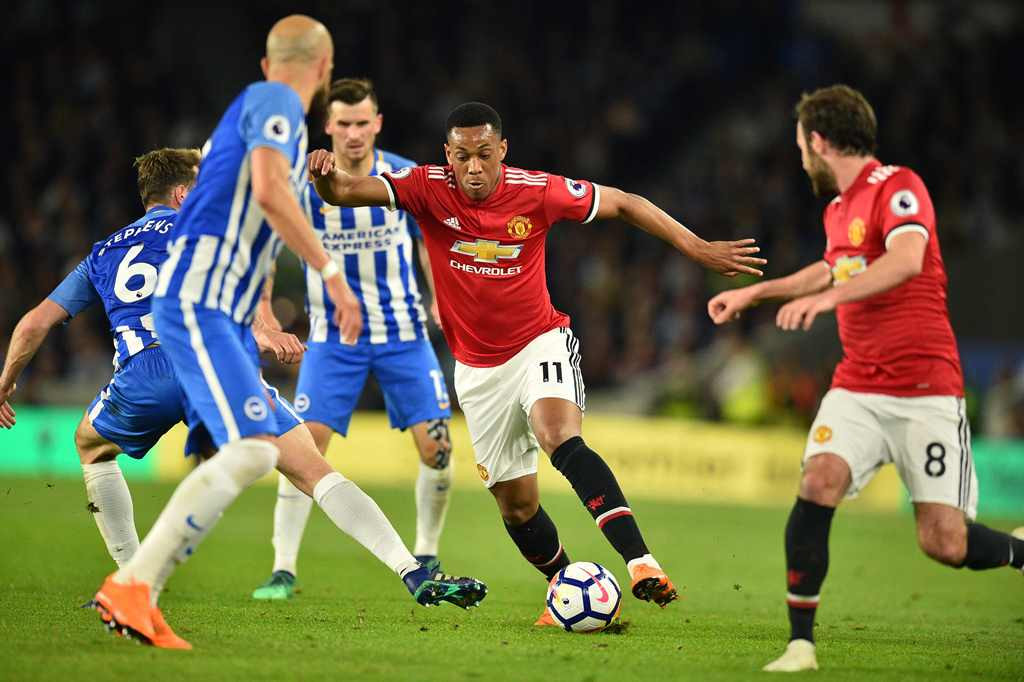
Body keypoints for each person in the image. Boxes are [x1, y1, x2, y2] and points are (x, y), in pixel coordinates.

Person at [88, 15, 486, 650]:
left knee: (308, 463)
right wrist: (329, 273)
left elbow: (255, 208)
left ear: (272, 62)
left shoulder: (266, 132)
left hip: (220, 314)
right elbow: (273, 196)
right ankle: (135, 585)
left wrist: (265, 311)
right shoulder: (271, 104)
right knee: (252, 453)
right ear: (323, 71)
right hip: (200, 309)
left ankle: (411, 570)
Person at [307, 101, 765, 624]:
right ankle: (566, 588)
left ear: (502, 150)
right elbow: (343, 191)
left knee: (558, 436)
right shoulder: (424, 187)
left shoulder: (537, 191)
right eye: (463, 157)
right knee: (517, 507)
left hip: (538, 343)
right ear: (448, 156)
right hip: (477, 371)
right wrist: (324, 176)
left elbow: (624, 201)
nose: (474, 168)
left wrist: (697, 247)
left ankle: (641, 562)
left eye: (484, 154)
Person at [707, 84, 1024, 673]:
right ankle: (801, 643)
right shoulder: (837, 209)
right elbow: (830, 268)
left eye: (801, 146)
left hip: (926, 391)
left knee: (944, 542)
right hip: (856, 387)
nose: (800, 158)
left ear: (819, 141)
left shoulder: (899, 187)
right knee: (819, 479)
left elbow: (905, 261)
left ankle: (1021, 553)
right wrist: (757, 292)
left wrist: (829, 303)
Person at [252, 78, 454, 601]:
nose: (354, 133)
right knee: (303, 449)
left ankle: (427, 554)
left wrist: (441, 297)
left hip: (405, 335)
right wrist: (267, 312)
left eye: (363, 122)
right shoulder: (302, 182)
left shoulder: (404, 175)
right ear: (328, 126)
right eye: (343, 123)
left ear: (378, 123)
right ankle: (283, 568)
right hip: (332, 339)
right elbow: (269, 249)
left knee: (437, 449)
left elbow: (428, 239)